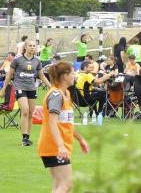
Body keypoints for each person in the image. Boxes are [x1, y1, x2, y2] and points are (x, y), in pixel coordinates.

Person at [38, 61, 90, 193]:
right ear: (64, 76)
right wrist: (60, 146)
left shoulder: (66, 93)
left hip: (59, 146)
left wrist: (81, 139)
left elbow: (67, 123)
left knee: (59, 186)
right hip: (54, 146)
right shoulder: (56, 95)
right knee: (66, 185)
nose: (75, 75)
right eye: (73, 72)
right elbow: (52, 122)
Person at [3, 39, 41, 146]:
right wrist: (4, 88)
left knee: (30, 113)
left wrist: (51, 86)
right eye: (30, 45)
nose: (32, 47)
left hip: (32, 88)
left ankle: (27, 137)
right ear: (25, 47)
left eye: (34, 46)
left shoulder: (37, 60)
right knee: (25, 110)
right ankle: (24, 138)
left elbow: (41, 75)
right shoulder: (17, 59)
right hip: (20, 86)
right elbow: (10, 74)